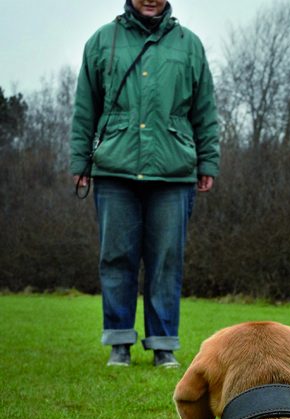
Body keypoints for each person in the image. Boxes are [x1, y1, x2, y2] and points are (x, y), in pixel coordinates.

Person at [70, 0, 219, 368]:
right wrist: (79, 160)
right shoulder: (102, 41)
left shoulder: (190, 44)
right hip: (114, 168)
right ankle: (119, 342)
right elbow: (85, 107)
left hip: (174, 170)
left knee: (166, 261)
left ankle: (163, 344)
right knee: (116, 257)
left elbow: (205, 109)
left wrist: (208, 161)